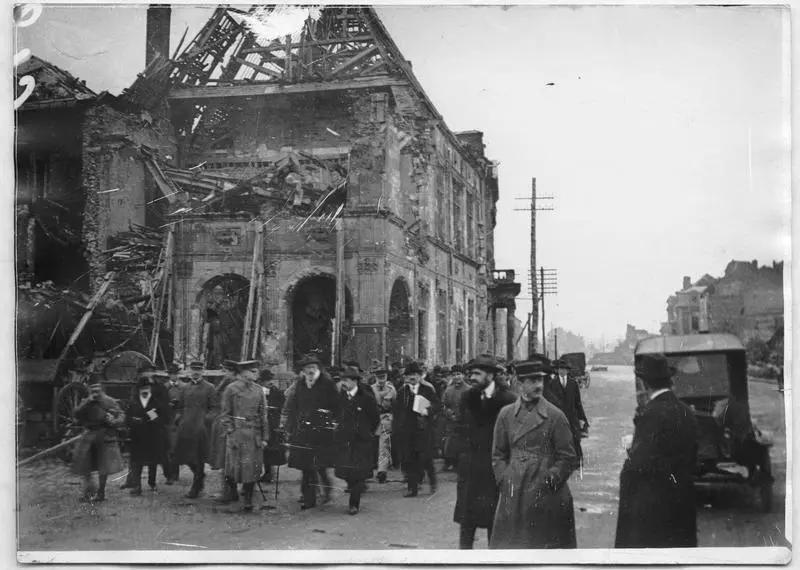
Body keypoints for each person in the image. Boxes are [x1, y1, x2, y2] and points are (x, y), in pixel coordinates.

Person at [490, 359, 578, 549]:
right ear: (519, 383)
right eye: (532, 381)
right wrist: (505, 480)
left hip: (547, 495)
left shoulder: (555, 416)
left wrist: (550, 479)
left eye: (540, 380)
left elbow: (568, 457)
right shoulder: (505, 415)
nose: (539, 385)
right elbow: (498, 454)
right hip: (514, 493)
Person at [615, 353, 698, 548]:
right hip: (683, 500)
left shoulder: (651, 413)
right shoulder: (686, 411)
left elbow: (639, 464)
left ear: (645, 384)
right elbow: (694, 455)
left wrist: (631, 451)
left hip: (654, 505)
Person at [454, 355, 517, 549]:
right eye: (470, 373)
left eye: (477, 373)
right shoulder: (467, 397)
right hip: (470, 468)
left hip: (493, 469)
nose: (472, 377)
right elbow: (460, 428)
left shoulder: (508, 400)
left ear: (491, 375)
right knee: (467, 523)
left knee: (494, 521)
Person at [282, 354, 341, 509]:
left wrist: (333, 422)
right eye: (307, 368)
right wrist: (290, 425)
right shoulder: (301, 384)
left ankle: (326, 490)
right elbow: (294, 405)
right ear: (303, 370)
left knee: (320, 465)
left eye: (313, 368)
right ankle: (309, 497)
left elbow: (337, 405)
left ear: (318, 369)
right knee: (306, 465)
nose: (310, 371)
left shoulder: (327, 384)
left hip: (322, 431)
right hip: (303, 431)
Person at [218, 360, 269, 512]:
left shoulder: (259, 390)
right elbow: (225, 414)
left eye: (256, 371)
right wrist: (231, 432)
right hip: (237, 433)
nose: (256, 374)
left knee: (252, 469)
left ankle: (248, 498)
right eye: (252, 371)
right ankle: (231, 492)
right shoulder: (231, 389)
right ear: (243, 373)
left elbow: (263, 414)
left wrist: (265, 437)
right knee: (233, 467)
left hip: (254, 434)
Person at [334, 368, 380, 515]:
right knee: (347, 472)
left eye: (346, 380)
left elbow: (375, 418)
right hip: (345, 441)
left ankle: (354, 503)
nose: (344, 383)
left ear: (355, 381)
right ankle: (353, 489)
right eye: (342, 380)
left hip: (361, 441)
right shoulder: (341, 397)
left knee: (359, 473)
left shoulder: (366, 398)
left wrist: (367, 432)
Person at [71, 379, 125, 503]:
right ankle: (89, 490)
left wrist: (114, 421)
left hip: (105, 436)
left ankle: (101, 492)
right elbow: (76, 414)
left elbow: (122, 415)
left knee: (103, 467)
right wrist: (87, 403)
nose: (95, 392)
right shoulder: (86, 401)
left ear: (101, 388)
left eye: (97, 389)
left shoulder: (109, 401)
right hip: (89, 435)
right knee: (84, 464)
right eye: (92, 389)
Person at [393, 361, 440, 497]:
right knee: (409, 459)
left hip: (423, 429)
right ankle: (412, 488)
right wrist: (398, 429)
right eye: (409, 375)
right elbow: (397, 411)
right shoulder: (403, 392)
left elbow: (437, 405)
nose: (412, 377)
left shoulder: (427, 390)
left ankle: (433, 483)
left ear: (420, 376)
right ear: (405, 377)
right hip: (407, 431)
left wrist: (428, 410)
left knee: (426, 458)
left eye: (415, 374)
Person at [174, 360, 219, 499]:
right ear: (189, 371)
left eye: (198, 370)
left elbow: (215, 408)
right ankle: (199, 475)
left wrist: (205, 420)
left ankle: (196, 486)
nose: (195, 372)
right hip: (185, 427)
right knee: (184, 456)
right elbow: (180, 407)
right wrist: (179, 418)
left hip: (201, 428)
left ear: (203, 372)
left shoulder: (210, 387)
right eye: (193, 369)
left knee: (198, 456)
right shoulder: (185, 388)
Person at [126, 374, 170, 495]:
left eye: (148, 388)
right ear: (139, 390)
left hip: (153, 436)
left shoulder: (156, 403)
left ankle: (152, 482)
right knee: (136, 462)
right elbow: (126, 418)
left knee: (153, 461)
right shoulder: (133, 403)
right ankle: (137, 486)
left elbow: (164, 419)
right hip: (137, 437)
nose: (145, 390)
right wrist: (133, 421)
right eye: (142, 388)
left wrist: (153, 416)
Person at [545, 358, 589, 464]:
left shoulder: (573, 384)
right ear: (557, 370)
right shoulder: (552, 383)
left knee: (575, 438)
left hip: (572, 416)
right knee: (559, 438)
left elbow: (578, 403)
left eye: (564, 369)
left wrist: (582, 418)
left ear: (568, 371)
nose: (562, 371)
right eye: (560, 369)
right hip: (558, 417)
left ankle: (578, 460)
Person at [209, 360, 239, 501]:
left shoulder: (231, 385)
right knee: (226, 460)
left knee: (226, 460)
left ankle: (228, 493)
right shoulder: (227, 383)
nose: (224, 373)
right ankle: (230, 492)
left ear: (232, 371)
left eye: (226, 370)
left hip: (227, 425)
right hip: (223, 422)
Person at [259, 368, 286, 483]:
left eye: (271, 379)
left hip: (273, 423)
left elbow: (282, 406)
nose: (270, 382)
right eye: (267, 380)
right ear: (261, 381)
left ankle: (269, 473)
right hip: (261, 423)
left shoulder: (277, 392)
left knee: (271, 449)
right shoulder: (258, 391)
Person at [441, 366, 470, 471]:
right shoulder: (448, 390)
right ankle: (450, 461)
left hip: (465, 422)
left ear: (463, 375)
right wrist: (449, 413)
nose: (456, 377)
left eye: (459, 374)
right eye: (454, 374)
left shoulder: (469, 389)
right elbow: (444, 405)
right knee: (450, 442)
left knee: (464, 443)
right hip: (451, 421)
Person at [371, 368, 396, 483]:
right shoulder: (371, 389)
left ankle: (382, 471)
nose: (381, 380)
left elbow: (395, 405)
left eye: (383, 377)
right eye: (379, 377)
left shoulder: (391, 389)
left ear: (386, 377)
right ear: (375, 377)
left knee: (384, 445)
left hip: (386, 419)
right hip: (372, 420)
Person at [163, 364, 184, 483]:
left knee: (176, 448)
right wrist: (168, 405)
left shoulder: (184, 387)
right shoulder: (164, 387)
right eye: (171, 374)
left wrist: (180, 412)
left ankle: (175, 473)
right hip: (167, 420)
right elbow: (159, 404)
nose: (174, 376)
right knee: (168, 448)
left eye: (176, 373)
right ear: (169, 375)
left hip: (180, 420)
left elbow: (187, 404)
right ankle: (169, 475)